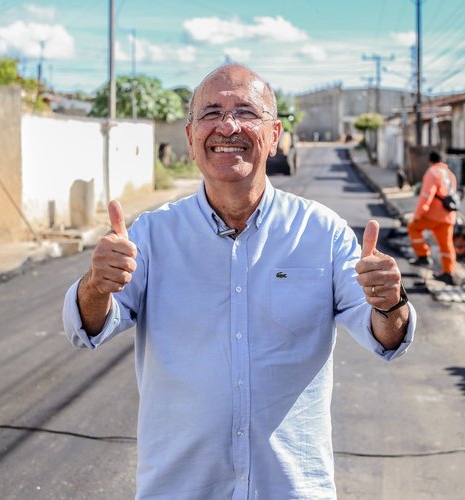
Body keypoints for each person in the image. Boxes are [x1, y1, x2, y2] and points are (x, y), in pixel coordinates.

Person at [62, 64, 416, 499]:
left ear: (274, 135)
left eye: (245, 112)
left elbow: (385, 335)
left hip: (291, 488)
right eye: (211, 113)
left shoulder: (322, 232)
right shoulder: (152, 236)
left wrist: (389, 301)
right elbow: (89, 328)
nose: (227, 126)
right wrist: (96, 286)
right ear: (191, 138)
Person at [407, 151, 458, 285]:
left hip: (433, 215)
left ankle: (423, 255)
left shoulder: (432, 172)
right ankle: (448, 272)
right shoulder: (450, 174)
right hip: (448, 215)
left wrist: (418, 214)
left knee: (413, 228)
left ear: (430, 161)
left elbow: (426, 195)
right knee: (446, 245)